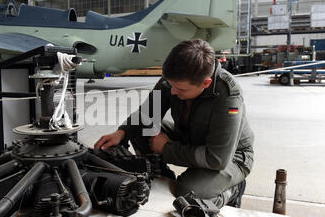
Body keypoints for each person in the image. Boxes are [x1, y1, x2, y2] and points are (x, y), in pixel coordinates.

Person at [94, 39, 254, 208]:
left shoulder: (228, 96)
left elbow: (217, 159)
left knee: (188, 192)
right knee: (143, 127)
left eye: (181, 89)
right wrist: (122, 132)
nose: (172, 91)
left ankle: (234, 189)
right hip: (192, 139)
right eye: (171, 85)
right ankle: (160, 173)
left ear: (206, 83)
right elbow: (147, 114)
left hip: (230, 156)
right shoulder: (176, 77)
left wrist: (166, 148)